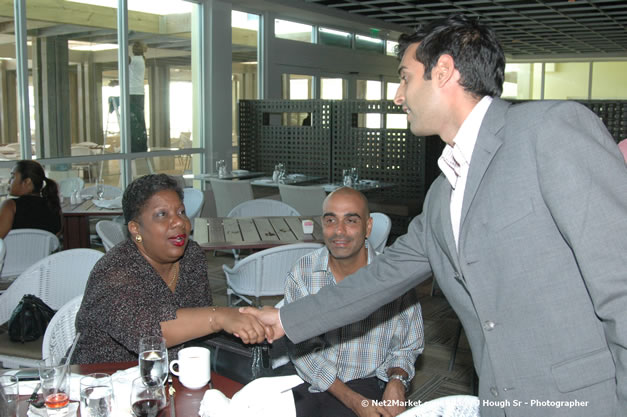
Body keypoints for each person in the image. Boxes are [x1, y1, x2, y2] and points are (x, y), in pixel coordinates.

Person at [242, 15, 627, 417]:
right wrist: (285, 318)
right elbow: (379, 278)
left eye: (405, 77)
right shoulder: (443, 193)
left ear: (443, 72)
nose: (397, 95)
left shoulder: (549, 131)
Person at [73, 174, 266, 364]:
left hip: (173, 375)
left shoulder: (191, 256)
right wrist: (218, 317)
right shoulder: (114, 272)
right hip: (102, 380)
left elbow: (200, 324)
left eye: (181, 212)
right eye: (162, 215)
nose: (179, 222)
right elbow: (147, 336)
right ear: (135, 229)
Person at [287, 187, 423, 417]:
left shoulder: (394, 277)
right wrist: (352, 400)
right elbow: (303, 351)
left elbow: (407, 346)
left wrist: (397, 381)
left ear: (368, 227)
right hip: (310, 377)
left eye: (351, 220)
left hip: (366, 380)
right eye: (331, 220)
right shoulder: (303, 272)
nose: (339, 231)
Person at [0, 160, 61, 238]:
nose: (9, 181)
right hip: (42, 250)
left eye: (12, 177)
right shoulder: (54, 206)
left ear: (27, 181)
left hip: (15, 250)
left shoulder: (10, 205)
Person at [129, 41, 148, 152]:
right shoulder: (141, 60)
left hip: (133, 93)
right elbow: (132, 77)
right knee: (139, 121)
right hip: (138, 93)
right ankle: (141, 147)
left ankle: (135, 148)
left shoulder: (135, 59)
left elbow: (125, 59)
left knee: (133, 121)